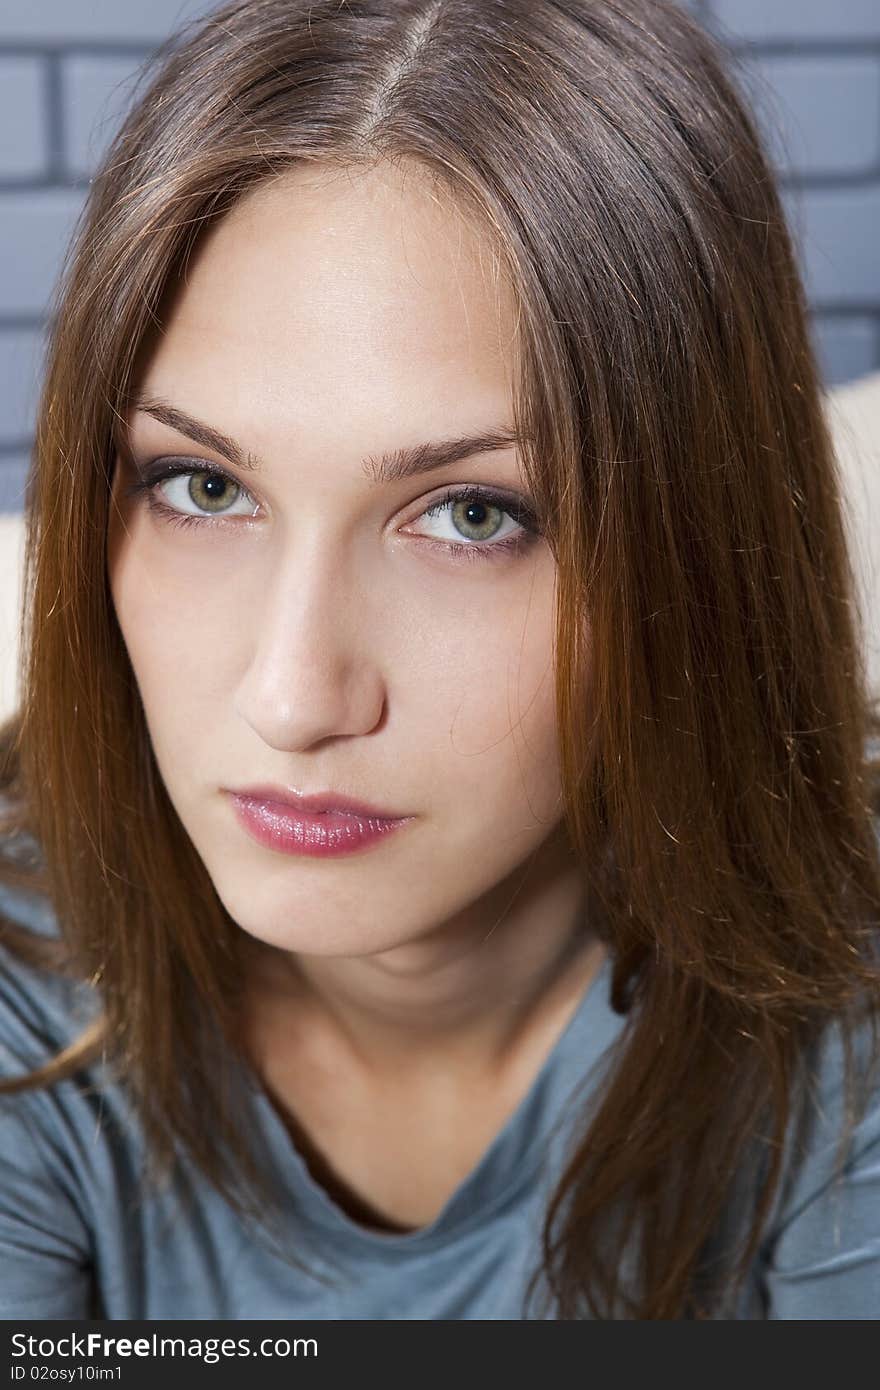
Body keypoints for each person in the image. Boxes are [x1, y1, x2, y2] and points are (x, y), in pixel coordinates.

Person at [1, 0, 879, 1321]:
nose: (292, 695)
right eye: (200, 485)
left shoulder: (838, 1011)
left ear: (695, 550)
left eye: (474, 515)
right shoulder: (28, 1000)